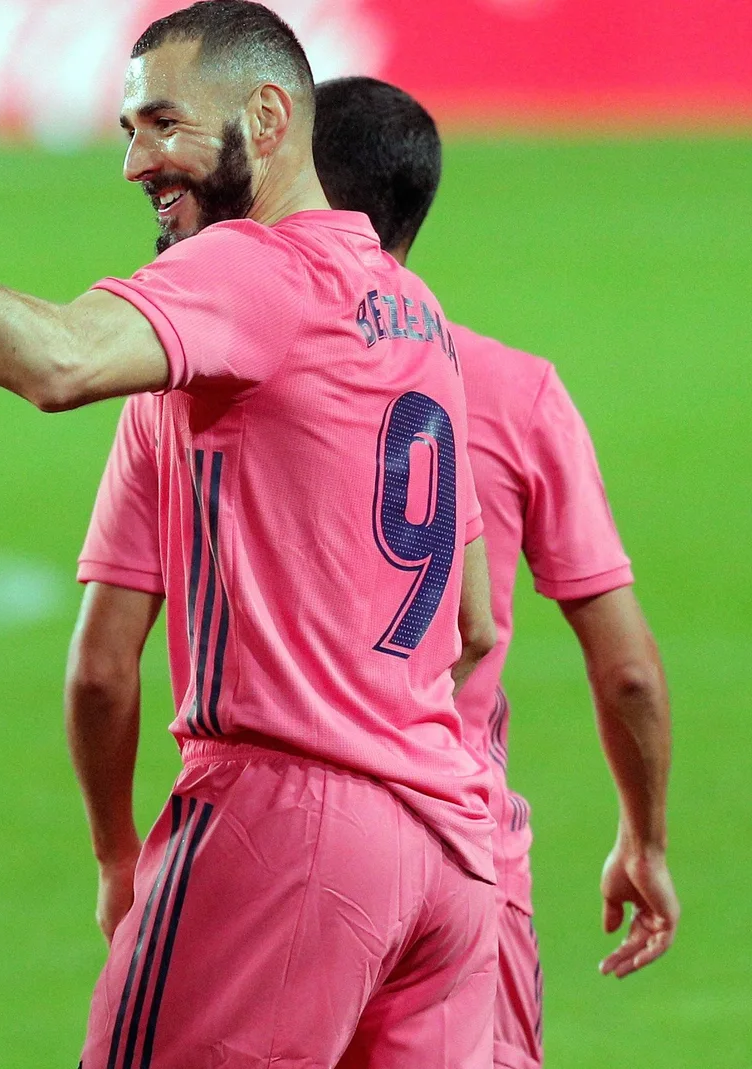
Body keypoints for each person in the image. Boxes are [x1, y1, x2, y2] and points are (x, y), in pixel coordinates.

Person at [0, 1, 503, 1063]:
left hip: (288, 824)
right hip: (447, 856)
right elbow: (476, 619)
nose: (133, 161)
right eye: (130, 129)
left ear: (267, 118)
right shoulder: (416, 313)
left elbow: (58, 361)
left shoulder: (252, 269)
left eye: (161, 124)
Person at [311, 75, 677, 1067]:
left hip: (289, 848)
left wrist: (116, 852)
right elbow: (628, 665)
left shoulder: (231, 378)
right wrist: (641, 837)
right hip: (461, 854)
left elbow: (106, 656)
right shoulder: (514, 390)